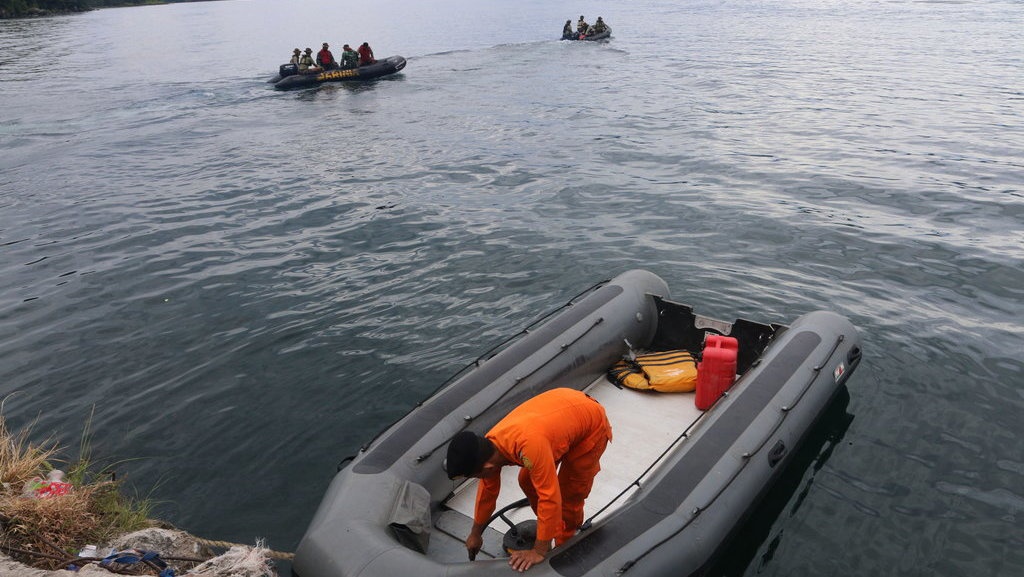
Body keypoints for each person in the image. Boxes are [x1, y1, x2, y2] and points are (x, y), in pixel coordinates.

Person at [444, 388, 613, 573]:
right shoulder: (489, 447)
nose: (480, 479)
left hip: (590, 425)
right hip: (558, 420)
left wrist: (538, 551)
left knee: (567, 497)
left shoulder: (528, 446)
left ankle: (565, 547)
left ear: (487, 468)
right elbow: (487, 493)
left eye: (476, 476)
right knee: (527, 480)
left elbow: (550, 497)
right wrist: (475, 534)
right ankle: (549, 528)